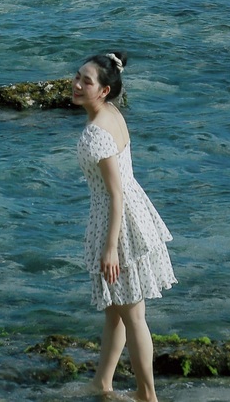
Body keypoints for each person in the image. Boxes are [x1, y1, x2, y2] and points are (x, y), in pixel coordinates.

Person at [73, 50, 176, 401]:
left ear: (103, 90)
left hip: (118, 222)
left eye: (85, 81)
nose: (76, 85)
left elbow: (114, 194)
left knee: (132, 315)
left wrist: (111, 245)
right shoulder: (113, 114)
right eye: (77, 77)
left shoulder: (94, 134)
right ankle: (102, 382)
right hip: (132, 213)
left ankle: (147, 395)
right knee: (117, 311)